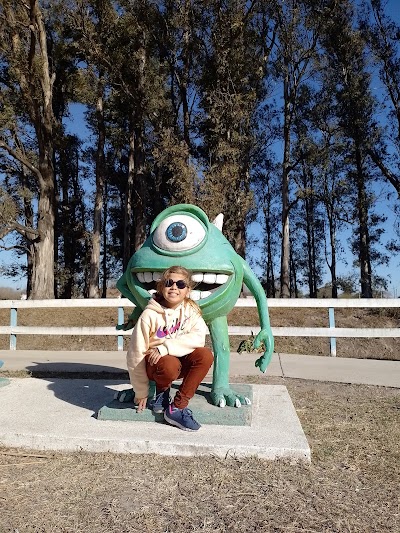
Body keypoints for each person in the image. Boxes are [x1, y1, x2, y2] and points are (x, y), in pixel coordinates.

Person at [126, 265, 214, 432]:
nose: (174, 287)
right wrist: (141, 392)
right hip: (157, 367)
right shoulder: (149, 315)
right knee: (169, 364)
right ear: (161, 287)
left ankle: (177, 408)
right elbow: (135, 354)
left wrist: (165, 347)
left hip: (177, 360)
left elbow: (199, 337)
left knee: (205, 355)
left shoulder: (191, 311)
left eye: (181, 284)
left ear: (187, 291)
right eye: (169, 283)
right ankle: (162, 392)